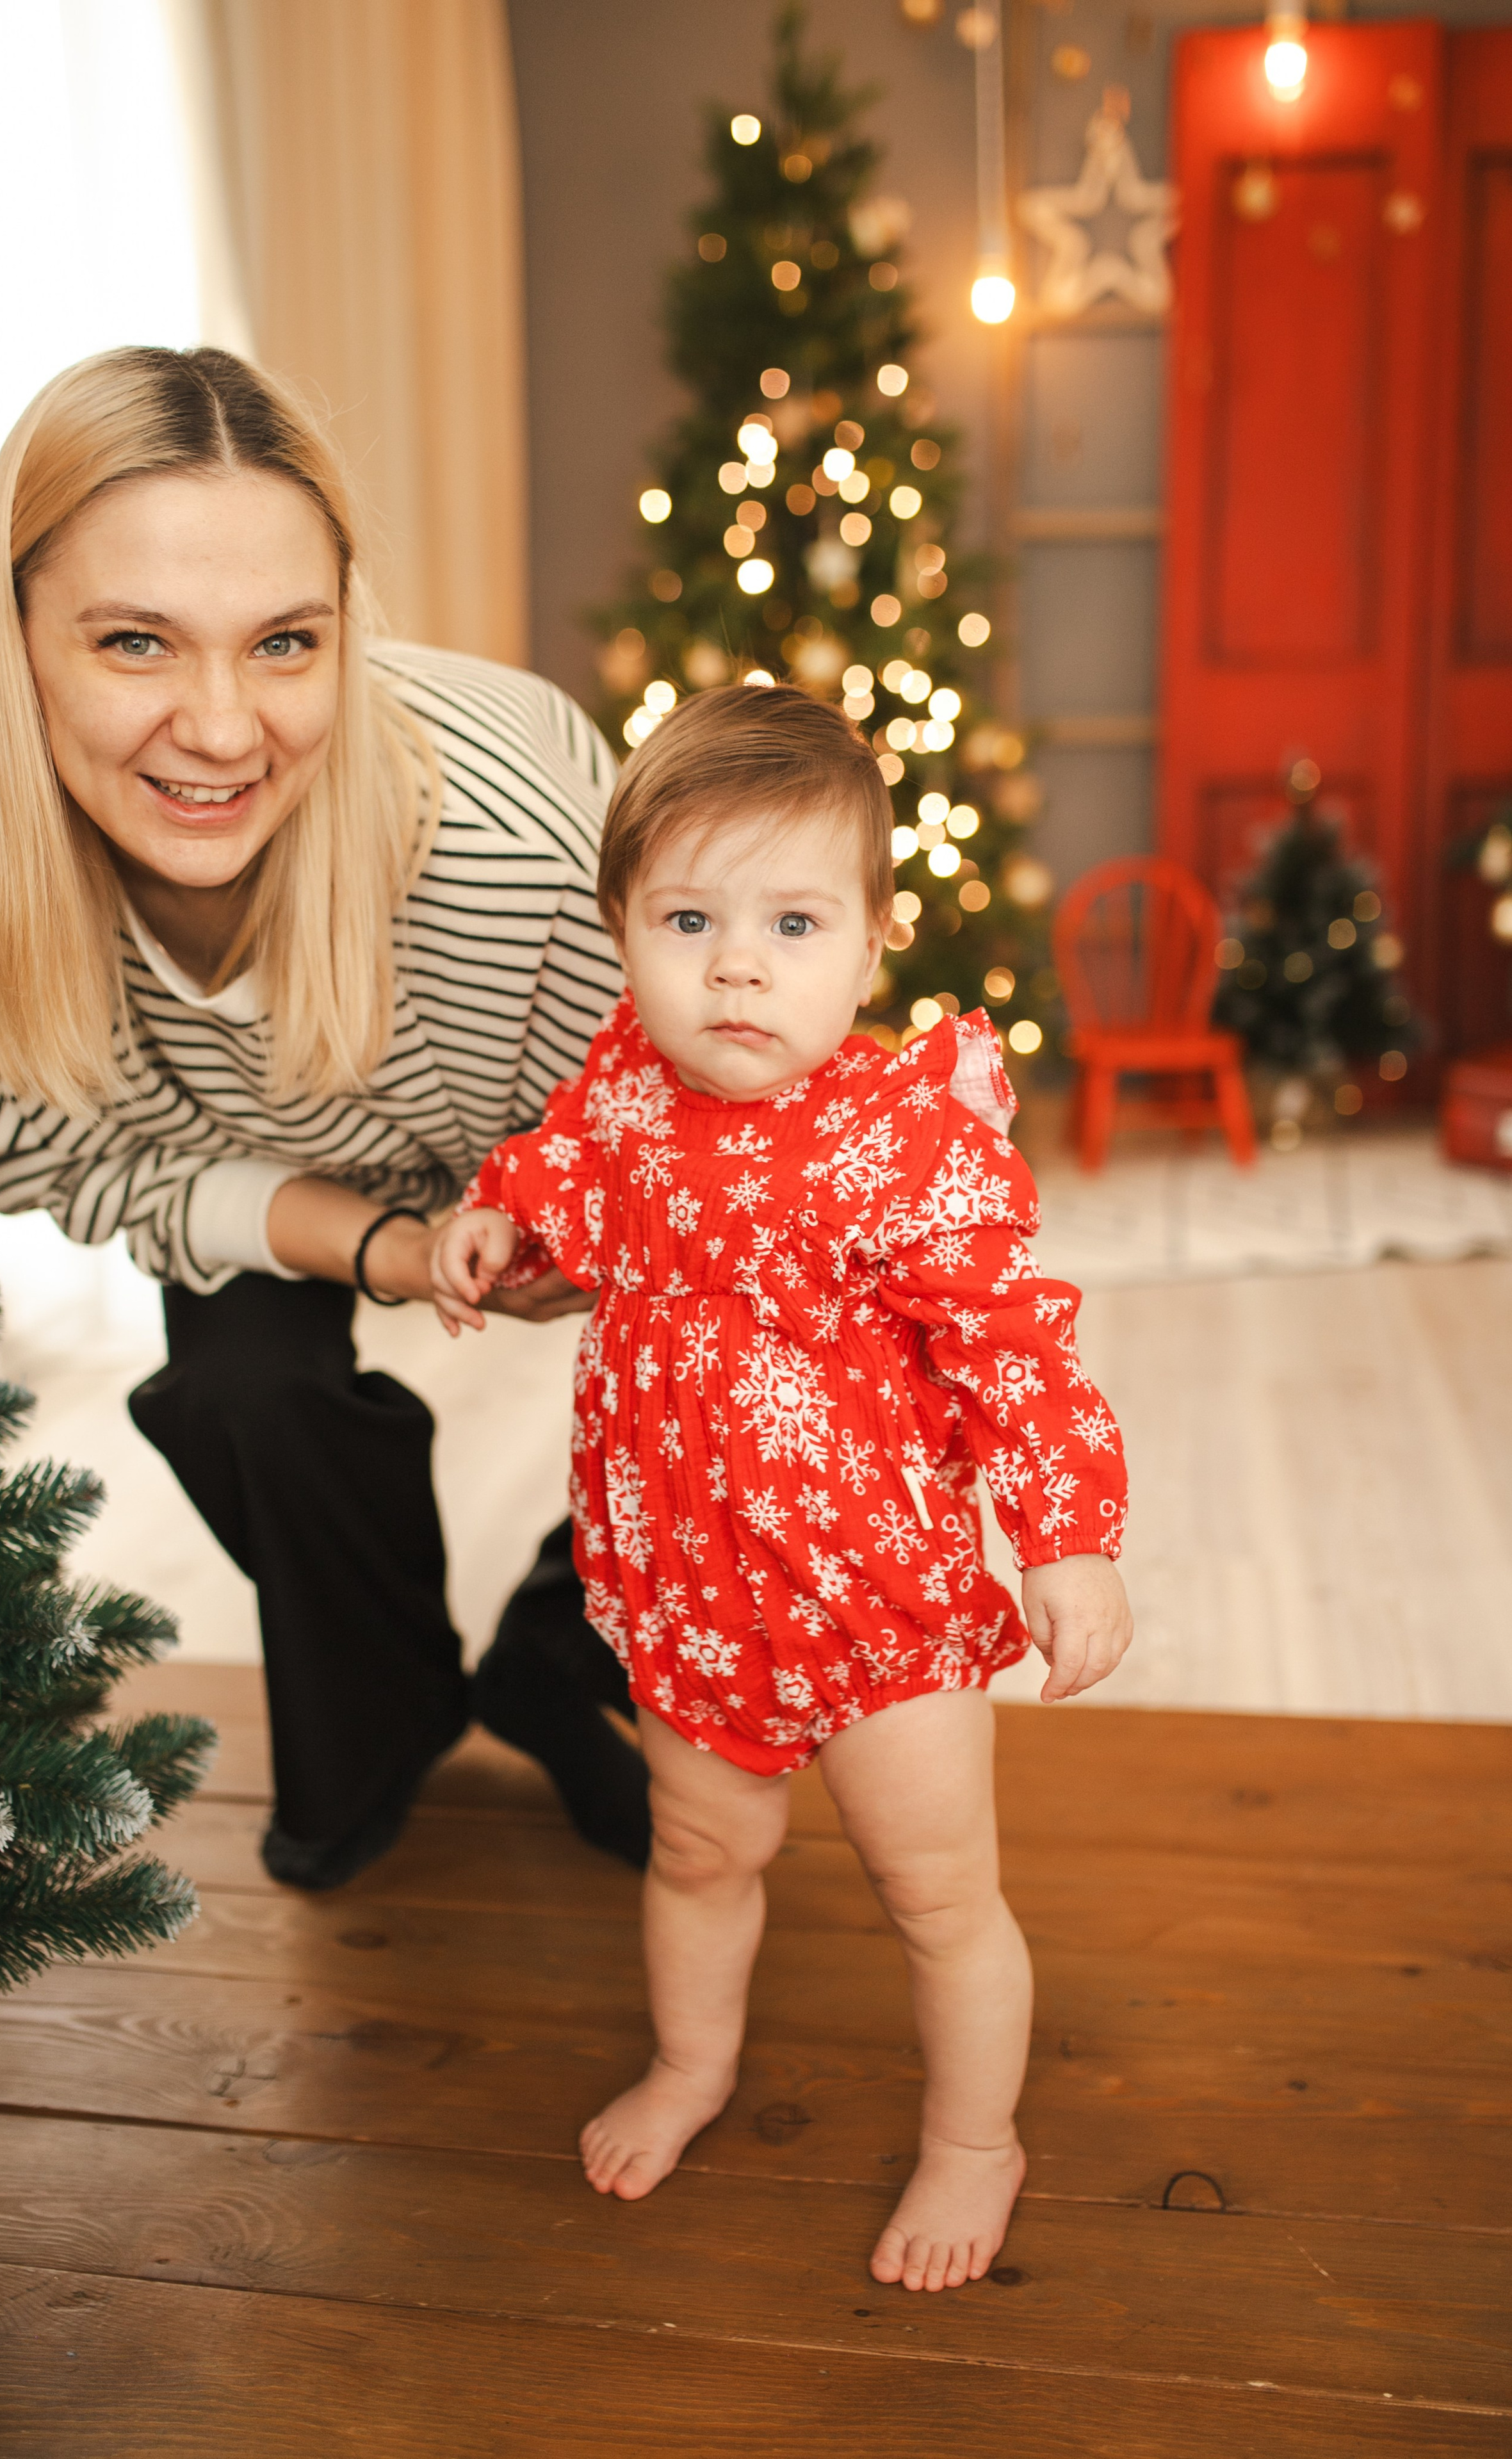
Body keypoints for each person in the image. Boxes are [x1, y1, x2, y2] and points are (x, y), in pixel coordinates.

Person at [0, 344, 648, 1888]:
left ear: (348, 626)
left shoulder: (515, 835)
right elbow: (67, 1156)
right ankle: (383, 1715)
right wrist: (377, 1246)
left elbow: (655, 1129)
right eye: (137, 642)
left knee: (749, 1362)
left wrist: (572, 1228)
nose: (223, 732)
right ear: (16, 635)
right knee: (241, 1391)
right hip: (244, 1166)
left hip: (534, 1123)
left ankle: (564, 1663)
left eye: (283, 642)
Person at [431, 685, 1132, 2292]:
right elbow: (558, 1173)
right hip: (690, 1586)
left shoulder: (902, 1140)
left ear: (873, 944)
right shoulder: (623, 1084)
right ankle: (693, 2062)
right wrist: (498, 1225)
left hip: (875, 1602)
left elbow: (1013, 1348)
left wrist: (1068, 1541)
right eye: (688, 918)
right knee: (698, 1852)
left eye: (792, 922)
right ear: (621, 933)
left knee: (933, 1888)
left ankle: (974, 2139)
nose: (734, 963)